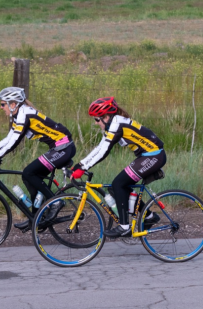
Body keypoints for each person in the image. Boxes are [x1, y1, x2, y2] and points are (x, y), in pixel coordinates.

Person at [0, 87, 76, 231]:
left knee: (29, 173)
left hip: (64, 148)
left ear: (13, 104)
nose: (1, 107)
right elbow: (9, 138)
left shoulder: (25, 114)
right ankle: (35, 219)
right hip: (58, 148)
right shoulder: (18, 115)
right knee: (29, 177)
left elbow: (14, 142)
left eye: (2, 104)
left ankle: (56, 203)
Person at [71, 97, 165, 238]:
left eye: (97, 120)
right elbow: (99, 147)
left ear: (106, 117)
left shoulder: (117, 124)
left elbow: (104, 151)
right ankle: (149, 216)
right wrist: (80, 165)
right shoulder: (114, 123)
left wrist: (83, 168)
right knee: (116, 187)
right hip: (147, 156)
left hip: (154, 156)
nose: (96, 123)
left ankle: (124, 226)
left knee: (118, 184)